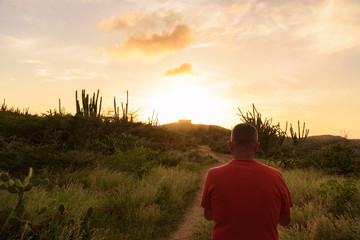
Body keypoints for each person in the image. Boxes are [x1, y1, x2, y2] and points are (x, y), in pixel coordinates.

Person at [201, 123, 293, 240]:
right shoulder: (276, 176)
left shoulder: (213, 175)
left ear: (230, 146)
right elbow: (285, 221)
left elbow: (208, 216)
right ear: (257, 146)